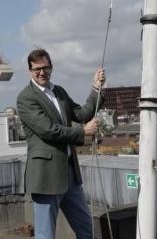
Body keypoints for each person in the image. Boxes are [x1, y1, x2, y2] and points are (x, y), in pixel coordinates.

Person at [16, 48, 105, 239]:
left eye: (45, 68)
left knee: (86, 230)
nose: (42, 72)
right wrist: (83, 131)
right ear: (30, 71)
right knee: (45, 234)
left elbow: (81, 114)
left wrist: (96, 88)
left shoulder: (59, 91)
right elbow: (48, 130)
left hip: (70, 175)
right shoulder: (26, 98)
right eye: (37, 69)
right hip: (46, 177)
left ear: (51, 67)